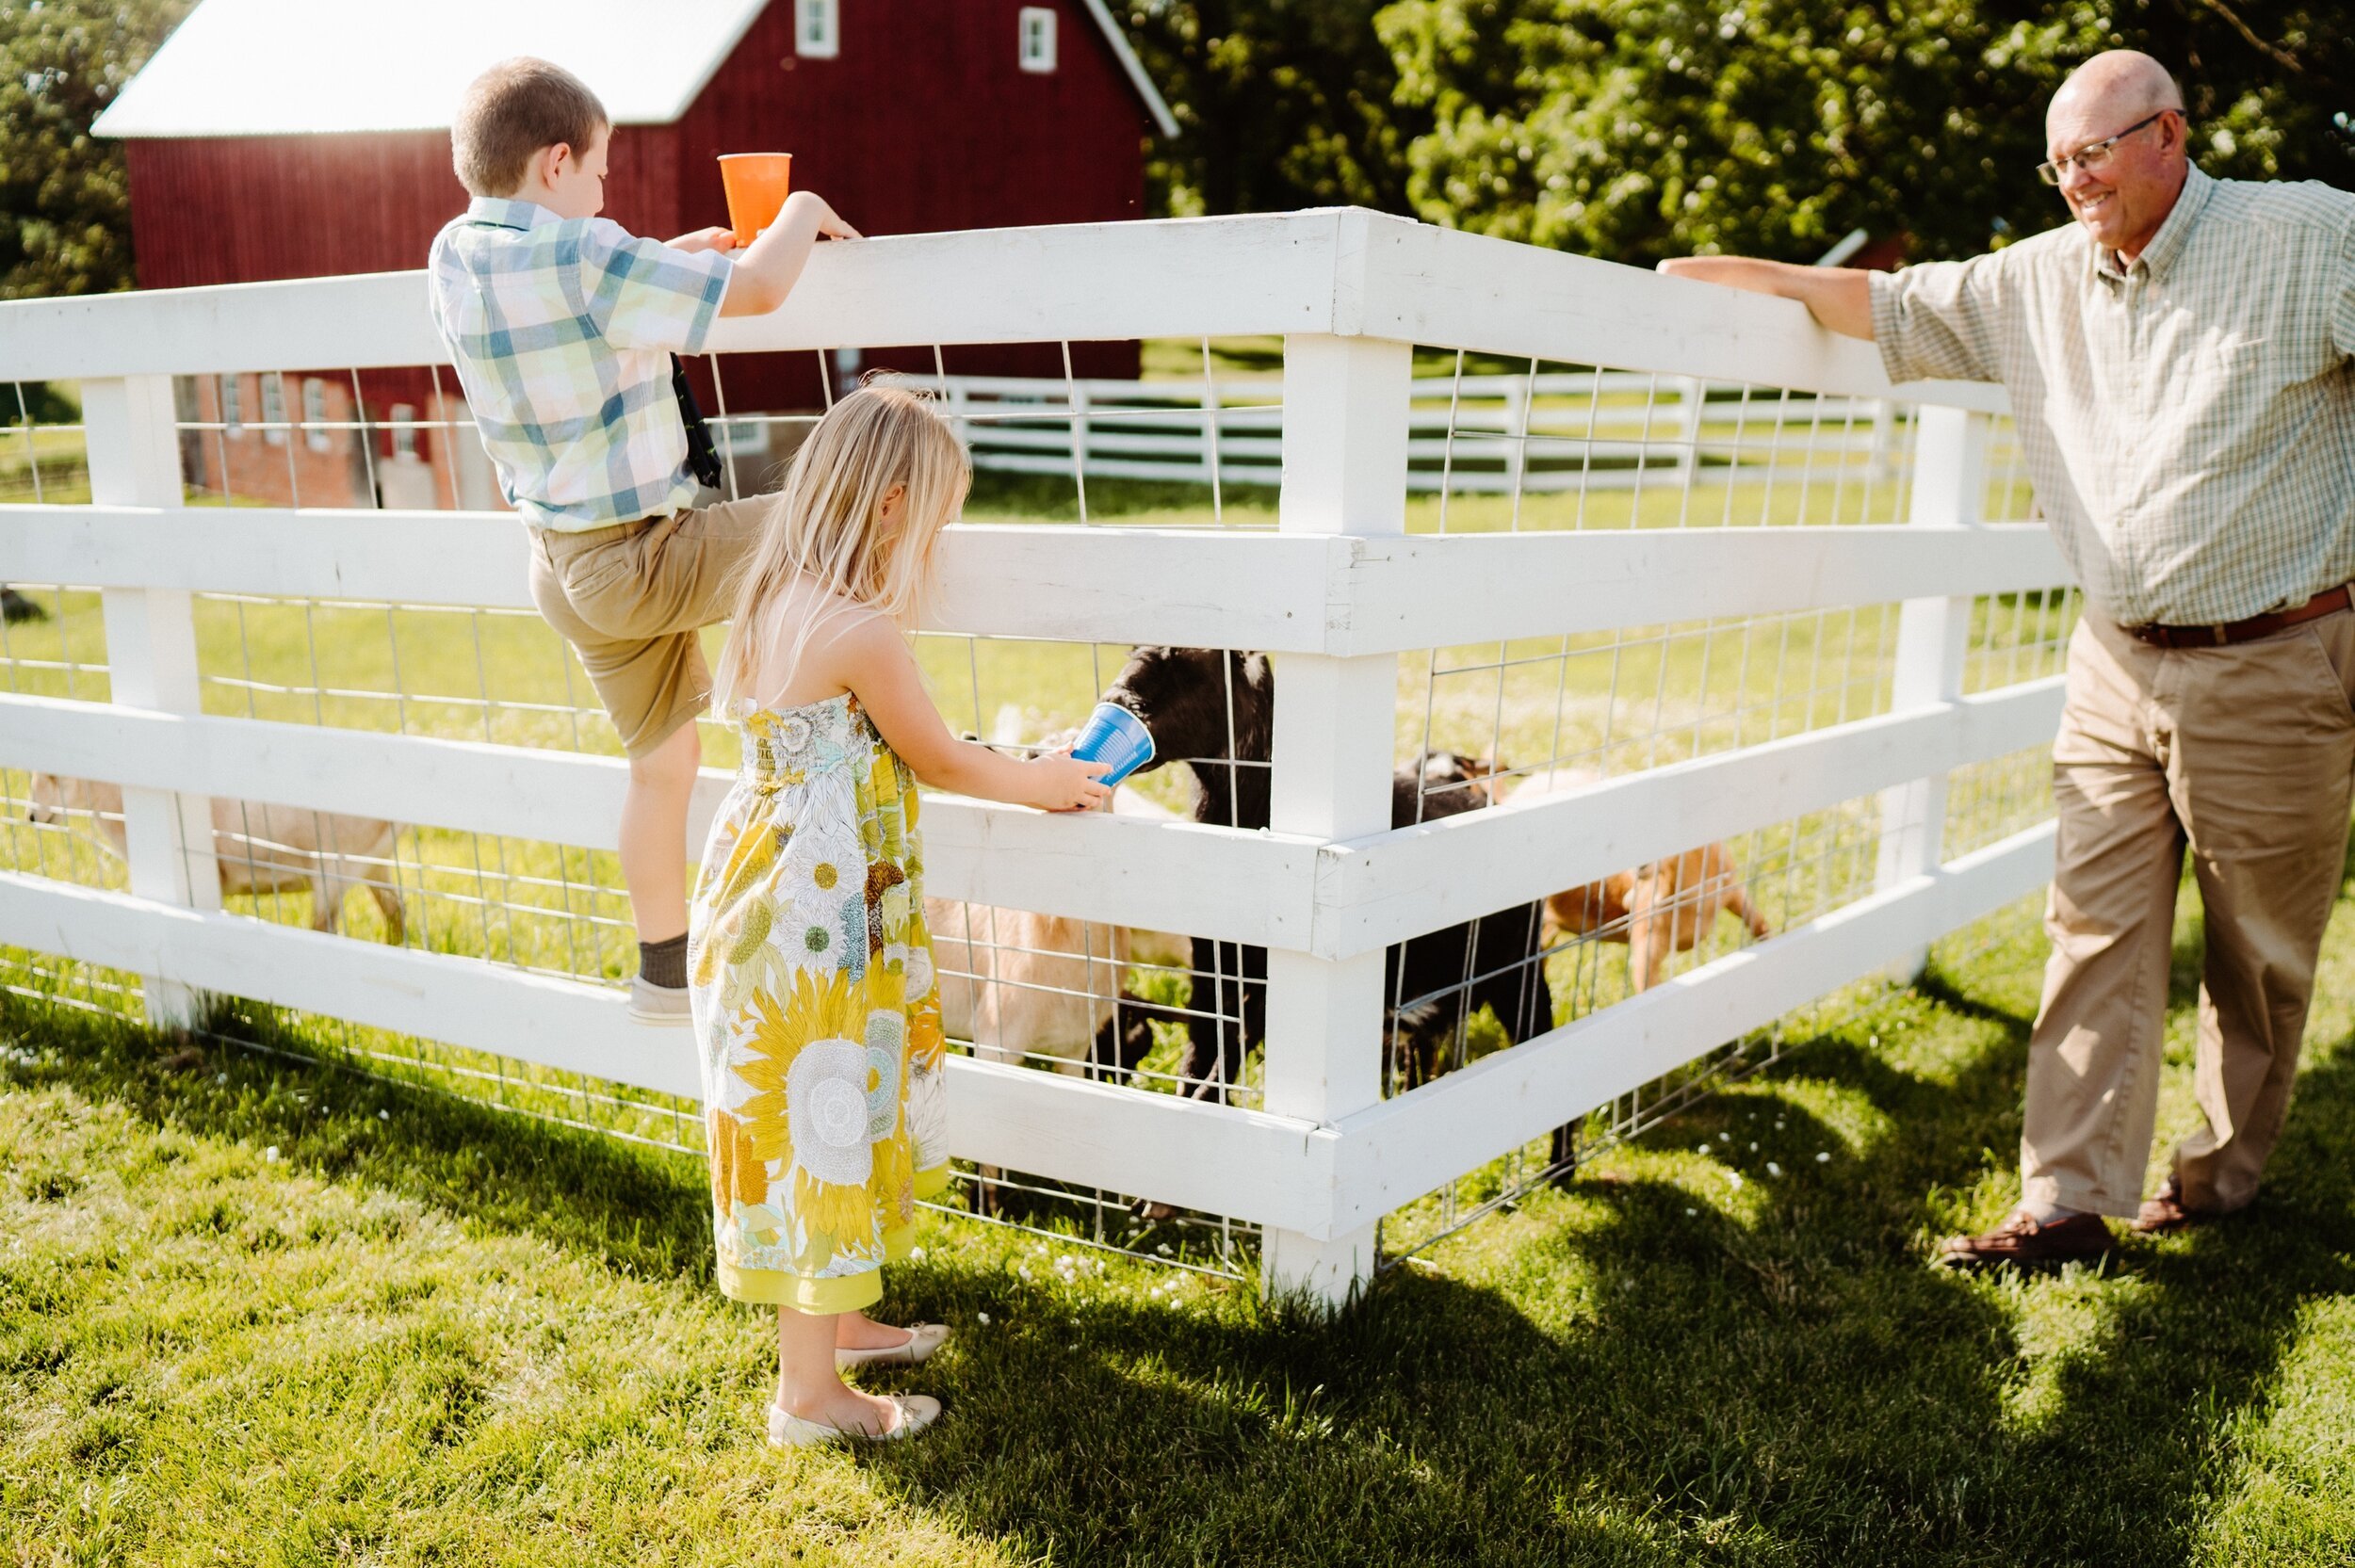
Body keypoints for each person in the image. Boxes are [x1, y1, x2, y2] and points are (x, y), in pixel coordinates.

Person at [1660, 51, 2355, 1269]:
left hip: (2277, 662)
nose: (2073, 180)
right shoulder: (2038, 277)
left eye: (2093, 152)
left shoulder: (2306, 234)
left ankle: (2215, 1175)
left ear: (2169, 136)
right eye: (2057, 162)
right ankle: (2067, 1204)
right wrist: (1702, 283)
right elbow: (1882, 307)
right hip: (2113, 661)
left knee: (2259, 956)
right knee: (2088, 924)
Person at [691, 385, 1110, 1445]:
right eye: (937, 520)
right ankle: (810, 1398)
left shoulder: (774, 596)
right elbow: (938, 756)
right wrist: (1046, 778)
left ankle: (846, 1325)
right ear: (888, 510)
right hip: (814, 925)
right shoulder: (861, 629)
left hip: (778, 904)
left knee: (827, 1114)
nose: (941, 543)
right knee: (823, 1120)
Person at [426, 57, 859, 1024]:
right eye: (600, 176)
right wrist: (800, 212)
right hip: (640, 558)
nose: (605, 194)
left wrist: (659, 257)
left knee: (661, 769)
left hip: (559, 564)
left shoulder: (456, 255)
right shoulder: (589, 258)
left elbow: (570, 317)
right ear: (556, 162)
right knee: (831, 510)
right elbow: (755, 290)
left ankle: (663, 969)